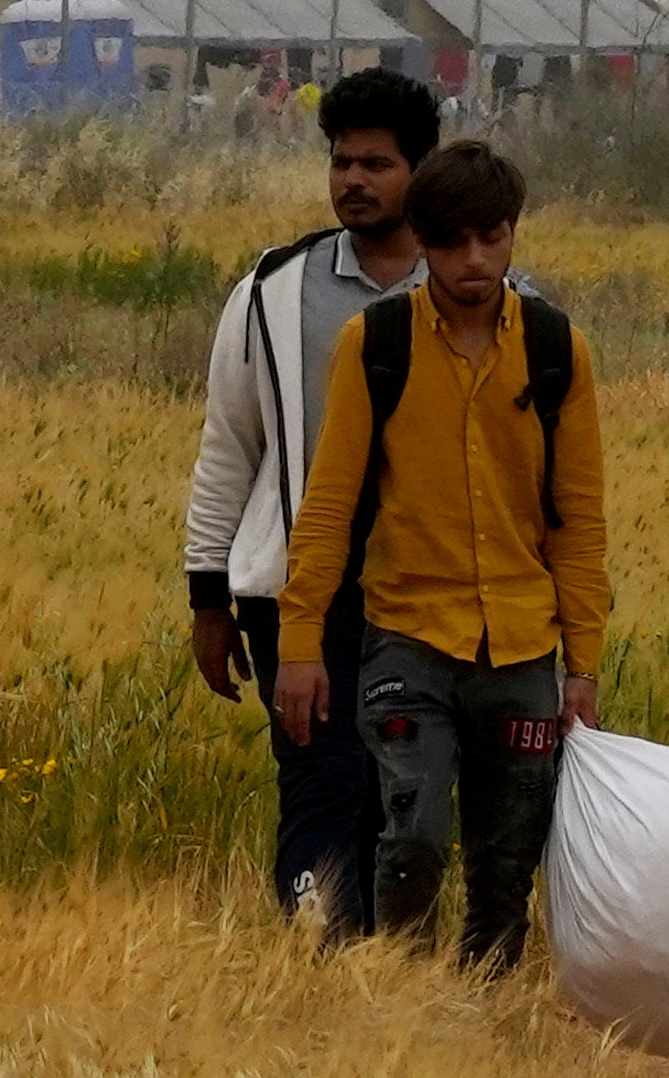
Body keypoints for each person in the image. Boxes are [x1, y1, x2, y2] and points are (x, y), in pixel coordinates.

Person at [267, 139, 607, 966]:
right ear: (421, 240)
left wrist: (584, 664)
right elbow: (329, 504)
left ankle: (484, 1008)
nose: (475, 260)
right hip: (409, 636)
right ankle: (401, 993)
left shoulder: (558, 352)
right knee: (412, 834)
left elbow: (580, 519)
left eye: (493, 238)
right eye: (453, 241)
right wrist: (299, 642)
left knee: (507, 859)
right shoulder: (375, 344)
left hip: (523, 646)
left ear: (513, 235)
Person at [180, 67, 440, 936]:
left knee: (403, 792)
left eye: (377, 164)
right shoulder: (274, 290)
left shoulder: (475, 292)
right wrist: (209, 597)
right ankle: (324, 957)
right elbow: (230, 448)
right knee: (321, 783)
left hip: (426, 596)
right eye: (341, 163)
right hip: (296, 593)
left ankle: (395, 965)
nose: (354, 183)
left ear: (423, 173)